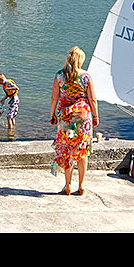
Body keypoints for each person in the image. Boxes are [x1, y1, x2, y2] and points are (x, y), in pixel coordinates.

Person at [50, 46, 98, 196]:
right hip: (83, 117)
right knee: (82, 151)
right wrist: (95, 116)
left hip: (66, 118)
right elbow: (93, 99)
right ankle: (82, 185)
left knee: (67, 150)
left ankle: (67, 185)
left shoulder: (59, 76)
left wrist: (52, 115)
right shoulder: (86, 77)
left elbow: (54, 98)